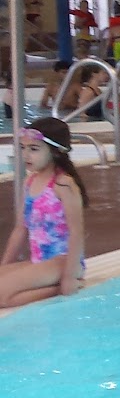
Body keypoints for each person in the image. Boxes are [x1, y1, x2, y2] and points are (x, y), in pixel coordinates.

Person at [0, 117, 88, 309]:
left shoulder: (63, 184)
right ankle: (52, 286)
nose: (26, 155)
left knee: (1, 296)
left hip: (63, 261)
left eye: (34, 149)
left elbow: (76, 232)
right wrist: (5, 266)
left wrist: (69, 276)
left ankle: (57, 288)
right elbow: (20, 229)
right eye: (23, 148)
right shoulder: (29, 182)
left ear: (56, 151)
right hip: (40, 261)